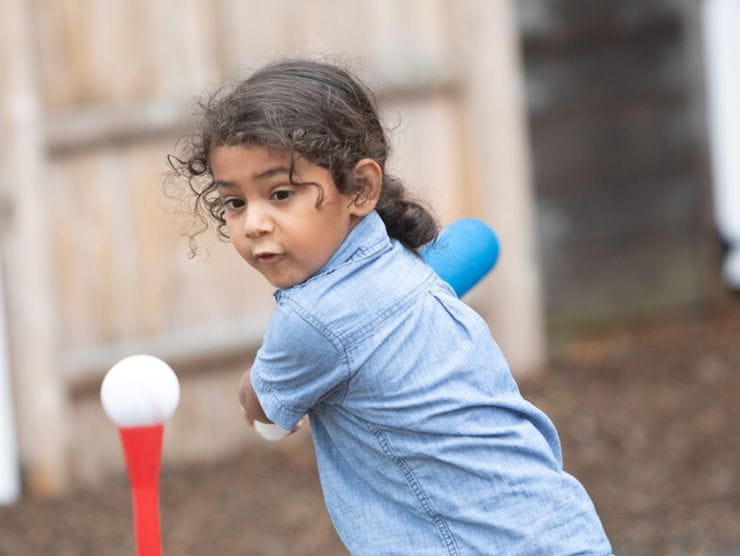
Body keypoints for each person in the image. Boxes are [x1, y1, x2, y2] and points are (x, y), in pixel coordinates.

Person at [168, 58, 612, 555]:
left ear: (360, 189)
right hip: (561, 531)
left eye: (280, 193)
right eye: (235, 203)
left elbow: (266, 418)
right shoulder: (401, 265)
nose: (254, 223)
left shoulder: (312, 321)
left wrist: (257, 386)